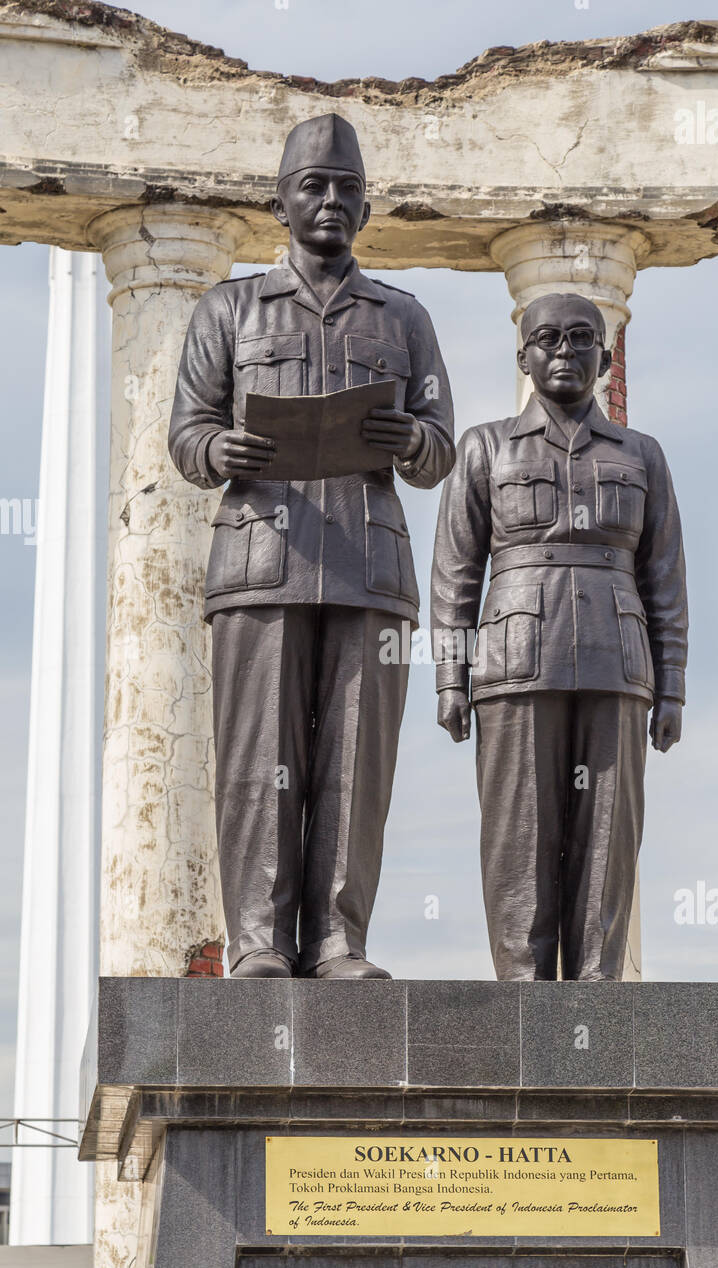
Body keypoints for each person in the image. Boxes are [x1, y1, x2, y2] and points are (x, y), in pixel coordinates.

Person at [169, 114, 454, 979]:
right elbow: (187, 433)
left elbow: (443, 449)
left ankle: (338, 940)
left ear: (367, 207)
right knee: (261, 761)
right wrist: (221, 451)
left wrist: (409, 438)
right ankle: (258, 940)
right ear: (281, 200)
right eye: (314, 185)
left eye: (347, 188)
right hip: (261, 562)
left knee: (356, 768)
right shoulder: (229, 308)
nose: (331, 200)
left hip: (368, 569)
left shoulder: (404, 317)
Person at [431, 292, 686, 980]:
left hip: (618, 665)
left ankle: (596, 995)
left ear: (605, 358)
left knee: (607, 837)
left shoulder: (643, 455)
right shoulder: (483, 448)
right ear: (523, 356)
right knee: (519, 838)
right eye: (548, 339)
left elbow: (664, 577)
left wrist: (674, 691)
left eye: (582, 340)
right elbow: (456, 575)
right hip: (513, 664)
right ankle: (523, 996)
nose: (565, 352)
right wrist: (449, 679)